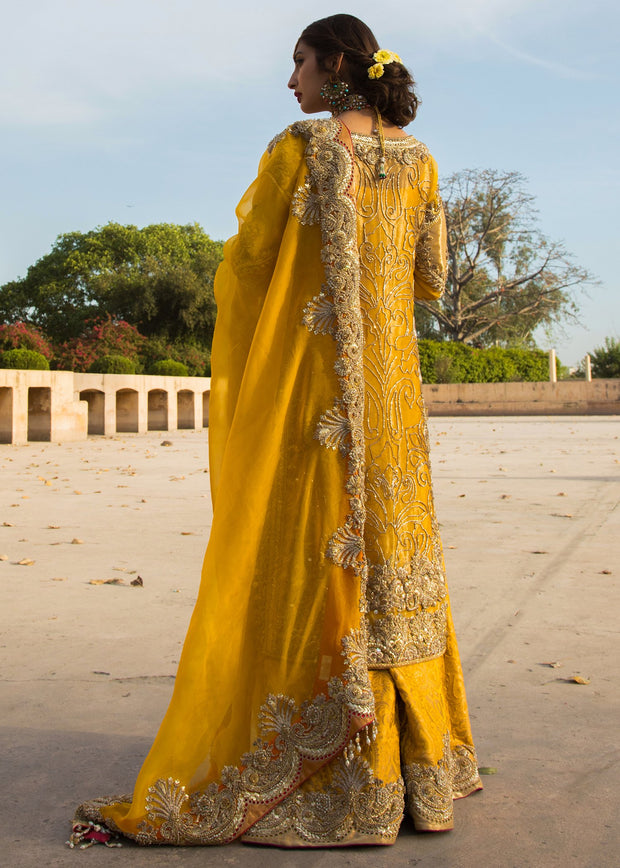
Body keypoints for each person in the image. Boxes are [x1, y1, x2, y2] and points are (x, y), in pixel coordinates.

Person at [71, 13, 481, 849]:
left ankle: (330, 773)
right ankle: (417, 777)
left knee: (307, 559)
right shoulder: (421, 157)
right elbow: (432, 281)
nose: (288, 80)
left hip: (314, 402)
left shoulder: (299, 148)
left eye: (296, 62)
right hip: (393, 407)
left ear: (334, 64)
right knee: (394, 563)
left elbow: (247, 268)